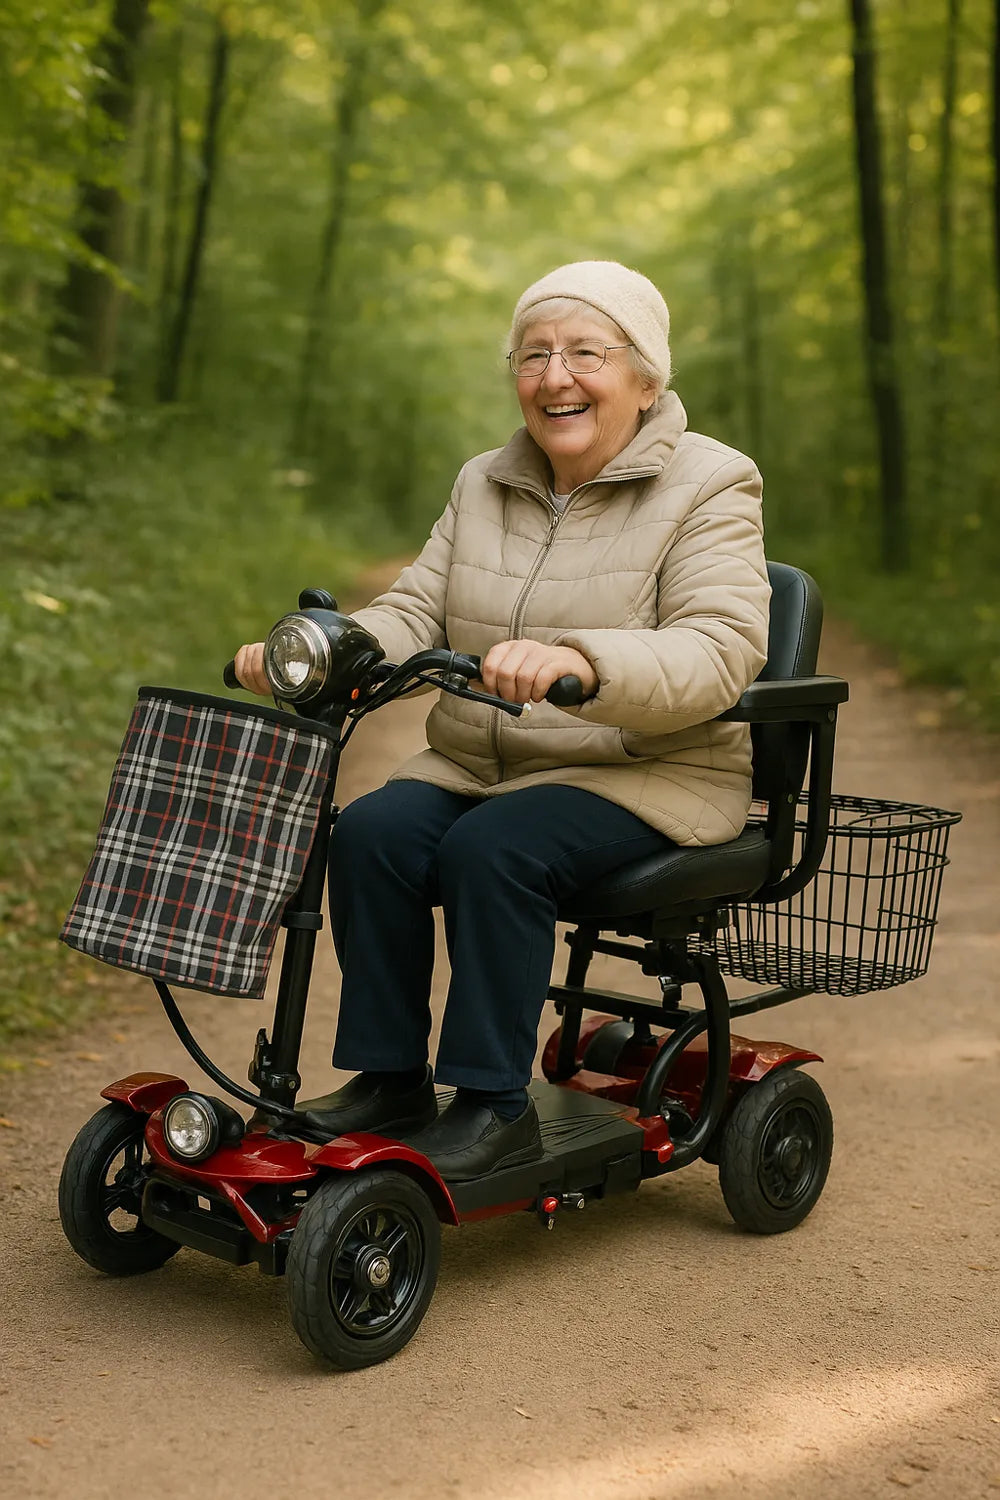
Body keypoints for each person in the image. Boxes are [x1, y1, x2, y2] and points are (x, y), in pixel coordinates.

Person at [235, 260, 770, 1181]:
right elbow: (415, 612)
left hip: (647, 768)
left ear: (646, 379)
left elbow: (719, 647)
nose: (555, 376)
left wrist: (583, 662)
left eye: (585, 354)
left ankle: (492, 1104)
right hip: (487, 766)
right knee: (371, 833)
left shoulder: (712, 485)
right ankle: (392, 1079)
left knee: (494, 849)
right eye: (534, 355)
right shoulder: (484, 481)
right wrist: (322, 647)